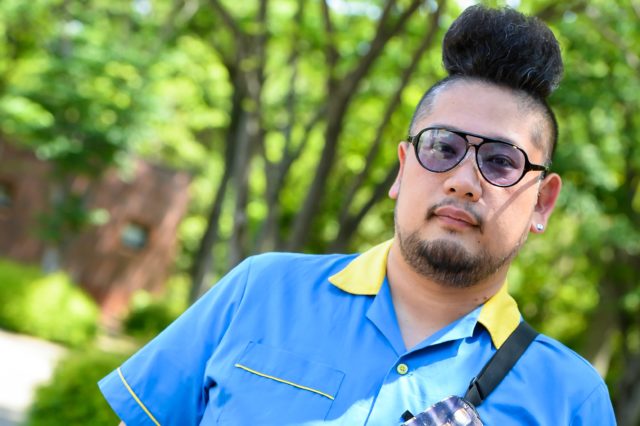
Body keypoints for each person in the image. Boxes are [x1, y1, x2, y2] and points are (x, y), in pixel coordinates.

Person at [99, 5, 616, 425]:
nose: (463, 179)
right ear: (403, 168)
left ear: (542, 202)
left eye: (501, 161)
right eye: (442, 147)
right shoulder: (259, 291)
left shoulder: (571, 399)